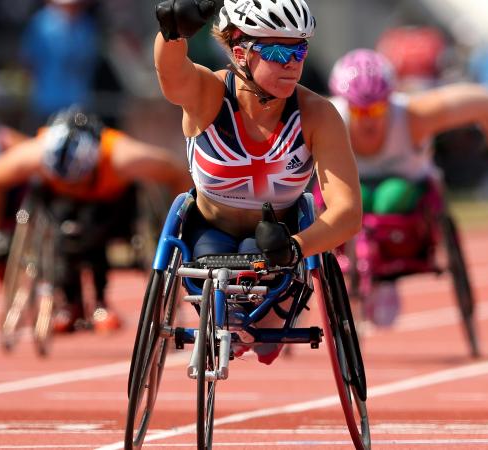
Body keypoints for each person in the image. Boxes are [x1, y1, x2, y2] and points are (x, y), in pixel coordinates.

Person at [153, 0, 362, 364]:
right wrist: (172, 33)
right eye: (278, 50)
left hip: (277, 242)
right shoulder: (208, 94)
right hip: (208, 231)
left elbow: (347, 212)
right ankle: (233, 325)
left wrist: (296, 247)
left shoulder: (318, 116)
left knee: (265, 330)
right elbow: (173, 78)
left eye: (299, 49)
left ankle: (259, 325)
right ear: (240, 52)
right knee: (214, 275)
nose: (293, 62)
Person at [328, 48, 488, 327]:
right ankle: (364, 271)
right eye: (359, 110)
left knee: (390, 196)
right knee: (350, 198)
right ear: (345, 103)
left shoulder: (415, 115)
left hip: (405, 194)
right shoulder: (327, 118)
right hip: (353, 191)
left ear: (389, 101)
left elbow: (486, 101)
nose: (368, 118)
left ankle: (384, 281)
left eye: (377, 108)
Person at [0, 107, 191, 334]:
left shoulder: (122, 156)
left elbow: (177, 173)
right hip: (57, 209)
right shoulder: (37, 154)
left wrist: (183, 227)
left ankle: (99, 302)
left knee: (91, 227)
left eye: (77, 181)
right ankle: (71, 304)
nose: (73, 187)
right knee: (64, 227)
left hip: (110, 209)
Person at [20, 0, 99, 130]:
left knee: (77, 146)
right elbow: (28, 60)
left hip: (77, 104)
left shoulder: (86, 26)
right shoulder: (41, 24)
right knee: (44, 144)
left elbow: (89, 61)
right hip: (47, 103)